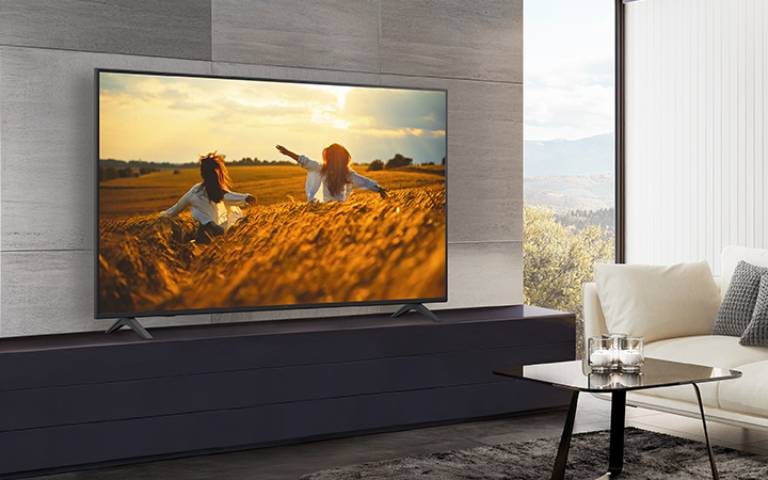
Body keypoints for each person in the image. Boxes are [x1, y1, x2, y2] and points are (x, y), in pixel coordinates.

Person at [160, 152, 255, 243]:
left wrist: (161, 217)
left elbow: (174, 210)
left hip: (203, 236)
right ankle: (210, 225)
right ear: (218, 174)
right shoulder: (219, 192)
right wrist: (246, 197)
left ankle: (208, 224)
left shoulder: (194, 193)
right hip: (219, 235)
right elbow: (232, 197)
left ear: (202, 174)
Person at [276, 143, 387, 202]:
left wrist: (287, 153)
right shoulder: (346, 173)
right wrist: (379, 189)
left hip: (328, 209)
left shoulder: (321, 169)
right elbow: (365, 182)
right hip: (337, 209)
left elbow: (305, 161)